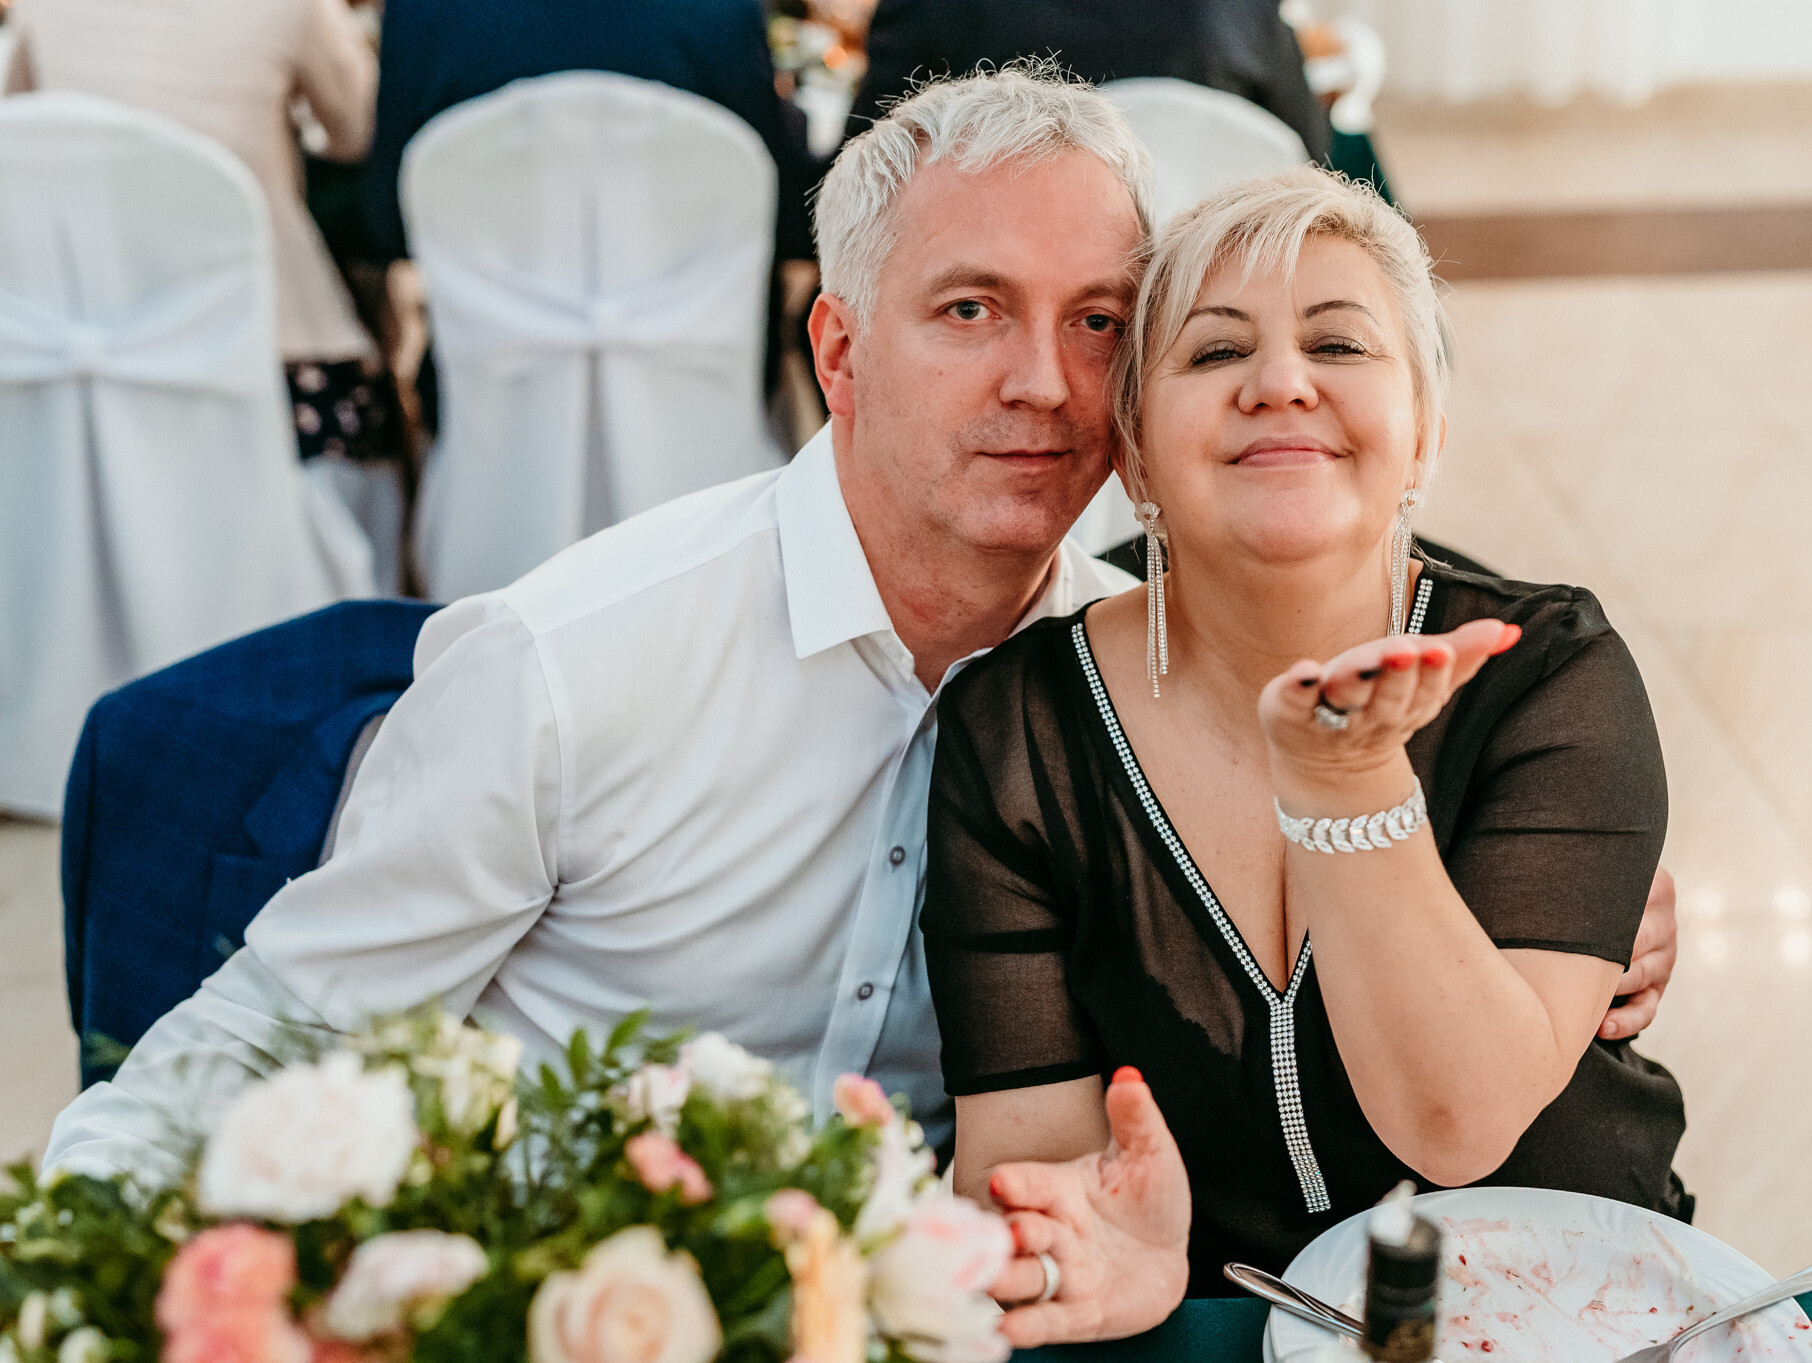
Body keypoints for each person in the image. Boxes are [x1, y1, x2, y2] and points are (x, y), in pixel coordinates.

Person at [41, 67, 1677, 1314]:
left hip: (944, 1292)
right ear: (835, 351)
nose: (1043, 383)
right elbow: (257, 1039)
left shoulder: (1118, 662)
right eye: (970, 312)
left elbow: (1347, 554)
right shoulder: (577, 664)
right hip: (583, 1289)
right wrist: (56, 1285)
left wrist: (1563, 877)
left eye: (1098, 323)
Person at [923, 165, 1687, 1344]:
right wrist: (1078, 1246)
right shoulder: (1019, 729)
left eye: (1337, 344)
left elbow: (1455, 1124)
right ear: (1134, 457)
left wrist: (1347, 783)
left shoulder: (1549, 674)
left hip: (1563, 1312)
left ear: (1423, 433)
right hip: (1204, 1324)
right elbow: (1026, 1160)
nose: (1279, 382)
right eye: (1214, 351)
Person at [3, 0, 402, 466]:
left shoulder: (42, 7)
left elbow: (22, 141)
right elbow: (359, 133)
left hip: (91, 374)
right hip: (273, 373)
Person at [361, 0, 817, 266]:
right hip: (689, 368)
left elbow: (390, 221)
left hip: (492, 375)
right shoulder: (723, 11)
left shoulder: (421, 11)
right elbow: (782, 215)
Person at [852, 0, 1333, 163]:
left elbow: (864, 173)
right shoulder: (1247, 10)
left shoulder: (935, 8)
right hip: (1206, 316)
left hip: (1012, 313)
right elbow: (1313, 158)